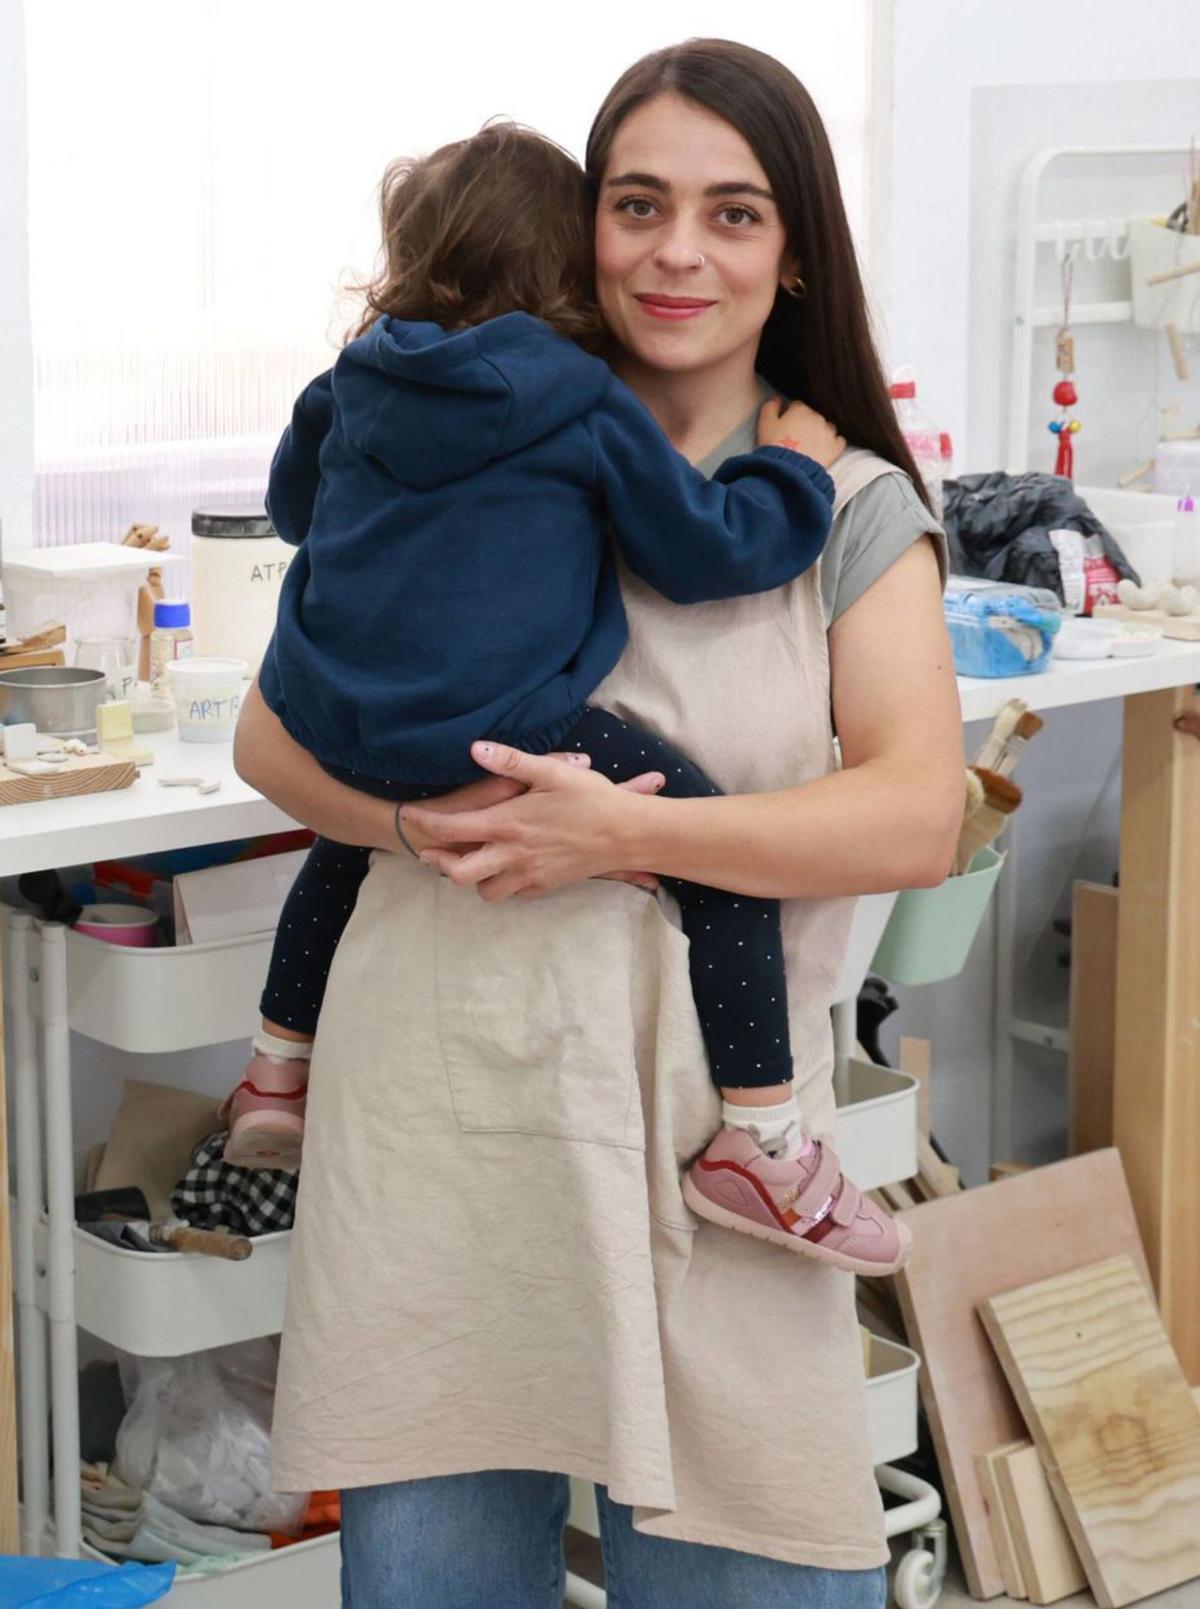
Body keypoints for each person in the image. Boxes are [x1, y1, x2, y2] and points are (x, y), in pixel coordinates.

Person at [237, 38, 963, 1609]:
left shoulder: (839, 507)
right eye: (637, 204)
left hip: (713, 1153)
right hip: (448, 1136)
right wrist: (448, 825)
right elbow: (265, 746)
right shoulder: (468, 452)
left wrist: (620, 838)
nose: (678, 251)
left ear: (796, 252)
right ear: (582, 225)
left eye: (734, 212)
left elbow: (918, 813)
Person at [220, 123, 902, 1276]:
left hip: (336, 708)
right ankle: (763, 1140)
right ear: (574, 265)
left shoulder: (348, 382)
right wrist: (788, 473)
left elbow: (293, 508)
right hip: (507, 729)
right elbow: (703, 550)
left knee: (338, 850)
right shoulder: (580, 402)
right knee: (725, 873)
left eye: (730, 214)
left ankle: (276, 1063)